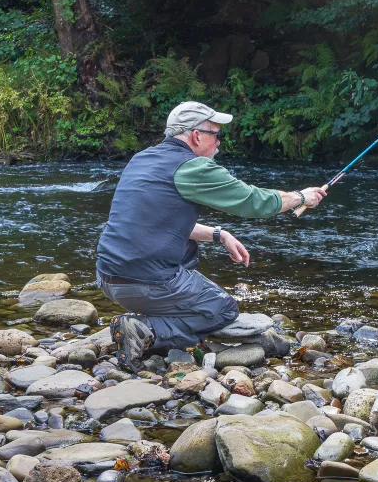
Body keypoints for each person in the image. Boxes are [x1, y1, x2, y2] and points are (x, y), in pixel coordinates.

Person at [96, 101, 327, 371]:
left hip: (108, 277)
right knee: (223, 309)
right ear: (196, 136)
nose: (219, 143)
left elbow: (155, 222)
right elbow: (253, 201)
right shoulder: (192, 167)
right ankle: (146, 330)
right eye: (217, 135)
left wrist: (219, 234)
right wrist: (301, 197)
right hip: (146, 283)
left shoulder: (142, 159)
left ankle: (156, 320)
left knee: (188, 251)